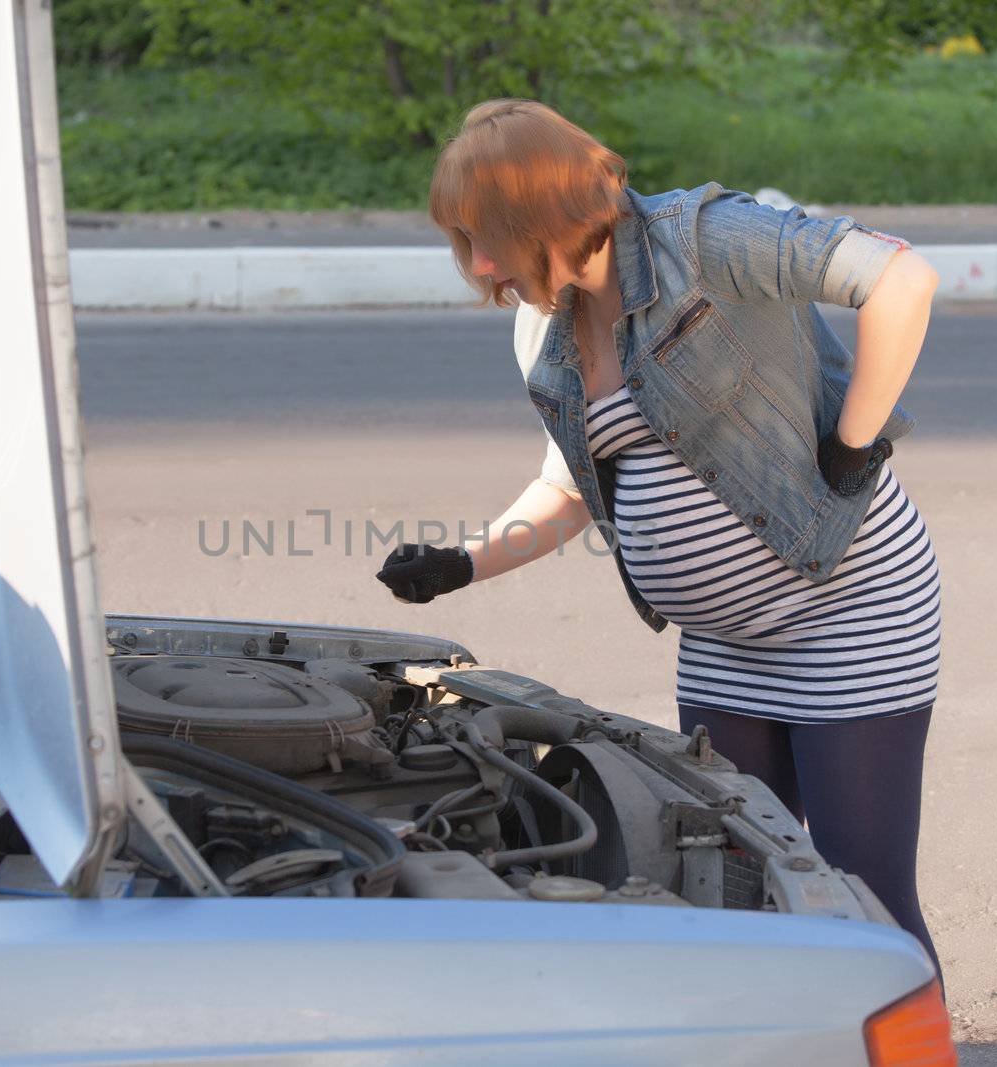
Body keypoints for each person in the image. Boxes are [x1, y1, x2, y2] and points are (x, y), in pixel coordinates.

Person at [373, 98, 944, 982]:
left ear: (542, 214)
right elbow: (570, 490)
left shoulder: (706, 239)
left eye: (486, 236)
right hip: (722, 647)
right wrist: (462, 562)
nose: (479, 264)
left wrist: (854, 440)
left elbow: (903, 280)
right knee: (729, 888)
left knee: (866, 901)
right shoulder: (548, 325)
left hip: (849, 615)